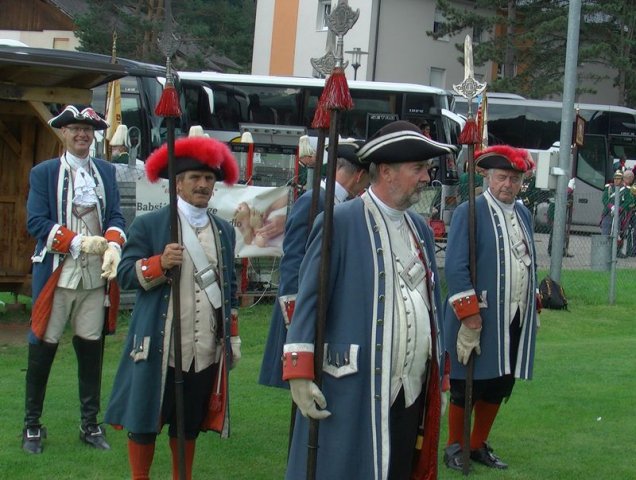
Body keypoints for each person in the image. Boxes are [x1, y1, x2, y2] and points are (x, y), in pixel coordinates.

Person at [283, 121, 455, 479]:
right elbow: (311, 296)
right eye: (419, 169)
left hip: (410, 385)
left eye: (427, 169)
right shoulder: (340, 221)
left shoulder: (420, 228)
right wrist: (299, 372)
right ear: (387, 172)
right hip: (357, 380)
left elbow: (429, 301)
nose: (427, 178)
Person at [104, 136, 242, 480]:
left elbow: (229, 290)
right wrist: (158, 263)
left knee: (188, 426)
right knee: (145, 422)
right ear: (177, 183)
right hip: (158, 346)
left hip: (204, 349)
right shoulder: (151, 224)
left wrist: (233, 337)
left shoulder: (224, 230)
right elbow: (124, 274)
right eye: (194, 178)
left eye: (209, 179)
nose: (202, 185)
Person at [22, 104, 126, 454]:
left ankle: (90, 423)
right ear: (63, 133)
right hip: (59, 274)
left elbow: (115, 216)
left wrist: (113, 244)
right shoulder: (44, 173)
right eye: (74, 128)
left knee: (91, 346)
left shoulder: (106, 173)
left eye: (87, 129)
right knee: (43, 346)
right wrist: (78, 242)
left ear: (94, 133)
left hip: (95, 279)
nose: (81, 134)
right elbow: (36, 222)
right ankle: (32, 425)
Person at [443, 145, 540, 472]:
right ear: (487, 176)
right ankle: (454, 445)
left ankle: (476, 444)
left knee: (500, 381)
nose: (508, 185)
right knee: (465, 384)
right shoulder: (468, 212)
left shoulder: (524, 213)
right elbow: (455, 268)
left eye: (514, 179)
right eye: (502, 177)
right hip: (478, 316)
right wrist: (469, 318)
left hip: (513, 316)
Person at [259, 139, 370, 389]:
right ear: (359, 175)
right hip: (303, 306)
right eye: (367, 181)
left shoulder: (334, 203)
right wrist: (296, 318)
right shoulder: (314, 201)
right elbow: (293, 260)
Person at [600, 170, 634, 248]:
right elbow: (604, 199)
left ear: (622, 180)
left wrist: (620, 208)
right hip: (608, 214)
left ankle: (616, 252)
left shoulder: (626, 190)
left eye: (618, 179)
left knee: (617, 234)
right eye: (615, 178)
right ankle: (604, 251)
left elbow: (629, 201)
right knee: (605, 233)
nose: (616, 180)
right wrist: (611, 206)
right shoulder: (608, 187)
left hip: (619, 215)